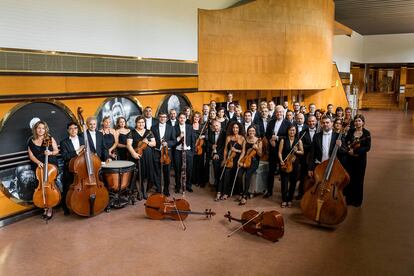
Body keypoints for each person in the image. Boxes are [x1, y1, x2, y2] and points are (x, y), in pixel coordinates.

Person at [27, 120, 59, 220]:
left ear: (46, 129)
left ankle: (50, 207)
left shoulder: (48, 139)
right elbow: (31, 155)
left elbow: (56, 151)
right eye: (39, 128)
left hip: (50, 165)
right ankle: (44, 205)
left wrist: (50, 153)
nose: (41, 130)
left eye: (43, 128)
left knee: (50, 185)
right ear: (35, 129)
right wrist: (38, 162)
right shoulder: (31, 141)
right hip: (39, 166)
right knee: (41, 186)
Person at [344, 114, 371, 207]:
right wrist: (348, 150)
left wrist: (355, 151)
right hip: (350, 159)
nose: (357, 122)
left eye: (359, 121)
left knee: (359, 179)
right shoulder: (351, 131)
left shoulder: (367, 133)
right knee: (350, 178)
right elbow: (346, 142)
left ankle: (357, 200)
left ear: (363, 122)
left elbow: (367, 147)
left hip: (360, 160)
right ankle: (349, 199)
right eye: (356, 121)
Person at [127, 116, 156, 199]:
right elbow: (129, 145)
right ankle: (139, 192)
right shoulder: (132, 132)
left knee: (146, 173)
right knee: (138, 174)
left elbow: (154, 143)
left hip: (147, 156)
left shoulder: (149, 132)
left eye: (143, 122)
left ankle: (145, 192)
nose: (141, 124)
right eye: (139, 122)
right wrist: (133, 154)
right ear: (136, 123)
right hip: (136, 155)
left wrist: (148, 143)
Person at [264, 105, 290, 198]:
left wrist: (278, 138)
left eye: (280, 112)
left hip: (282, 152)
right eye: (277, 112)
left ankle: (284, 194)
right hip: (272, 150)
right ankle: (269, 191)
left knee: (283, 172)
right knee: (270, 171)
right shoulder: (271, 122)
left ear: (283, 113)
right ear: (275, 113)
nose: (278, 113)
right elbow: (267, 134)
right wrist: (270, 140)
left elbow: (289, 137)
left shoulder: (288, 123)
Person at [60, 122, 85, 215]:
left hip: (83, 167)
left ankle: (82, 204)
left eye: (75, 128)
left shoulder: (83, 139)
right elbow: (65, 156)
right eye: (71, 128)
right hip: (71, 169)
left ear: (78, 130)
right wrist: (78, 150)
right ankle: (66, 207)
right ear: (68, 130)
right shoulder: (64, 142)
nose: (73, 130)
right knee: (68, 188)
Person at [219, 122, 245, 200]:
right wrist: (224, 159)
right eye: (233, 128)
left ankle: (237, 192)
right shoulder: (228, 137)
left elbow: (243, 151)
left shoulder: (242, 138)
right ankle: (225, 192)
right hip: (230, 158)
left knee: (236, 174)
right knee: (226, 172)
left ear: (239, 129)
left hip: (238, 158)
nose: (235, 129)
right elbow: (225, 150)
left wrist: (238, 159)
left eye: (237, 128)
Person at [278, 125, 304, 208]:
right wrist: (281, 160)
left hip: (295, 164)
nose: (292, 132)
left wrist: (297, 151)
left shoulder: (298, 141)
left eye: (293, 130)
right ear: (287, 131)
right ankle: (284, 200)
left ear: (296, 131)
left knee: (293, 182)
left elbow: (302, 152)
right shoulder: (283, 140)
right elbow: (280, 152)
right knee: (284, 182)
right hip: (285, 163)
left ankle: (290, 199)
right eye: (290, 130)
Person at [151, 112, 176, 196]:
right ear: (158, 117)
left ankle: (166, 189)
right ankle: (158, 189)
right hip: (157, 152)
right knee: (157, 171)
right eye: (161, 117)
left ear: (167, 118)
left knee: (167, 172)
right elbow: (151, 140)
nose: (162, 118)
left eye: (164, 117)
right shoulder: (153, 128)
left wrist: (167, 143)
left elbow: (174, 141)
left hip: (166, 153)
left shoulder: (171, 128)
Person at [238, 125, 262, 205]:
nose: (251, 132)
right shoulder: (246, 140)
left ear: (255, 132)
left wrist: (257, 148)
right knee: (239, 175)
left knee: (247, 176)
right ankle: (241, 192)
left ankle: (245, 196)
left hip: (254, 162)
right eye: (250, 131)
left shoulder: (259, 141)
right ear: (248, 132)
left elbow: (260, 154)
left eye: (253, 131)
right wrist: (239, 161)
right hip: (245, 160)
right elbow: (243, 152)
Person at [296, 115, 317, 200]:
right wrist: (312, 146)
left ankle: (313, 194)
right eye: (310, 121)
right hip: (305, 158)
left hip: (315, 159)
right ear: (307, 122)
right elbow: (301, 146)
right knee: (302, 176)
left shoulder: (320, 131)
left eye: (313, 121)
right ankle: (301, 193)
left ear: (316, 122)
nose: (311, 123)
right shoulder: (303, 132)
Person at [174, 112, 196, 193]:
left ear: (186, 119)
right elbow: (173, 141)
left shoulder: (190, 127)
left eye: (183, 118)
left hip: (188, 151)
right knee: (177, 169)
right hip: (178, 151)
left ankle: (188, 185)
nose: (182, 119)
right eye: (180, 118)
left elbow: (193, 140)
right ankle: (177, 186)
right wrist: (178, 139)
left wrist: (192, 152)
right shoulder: (174, 128)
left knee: (189, 170)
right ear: (178, 119)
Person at [207, 120, 226, 196]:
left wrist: (217, 153)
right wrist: (212, 147)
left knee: (219, 167)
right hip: (214, 153)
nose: (215, 127)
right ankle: (217, 185)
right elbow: (208, 142)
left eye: (217, 125)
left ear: (220, 126)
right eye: (214, 126)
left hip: (222, 154)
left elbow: (224, 146)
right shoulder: (211, 132)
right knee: (214, 166)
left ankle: (219, 187)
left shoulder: (224, 133)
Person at [191, 112, 207, 187]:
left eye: (198, 117)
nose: (196, 118)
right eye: (195, 116)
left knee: (200, 164)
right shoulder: (190, 126)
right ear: (193, 117)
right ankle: (193, 180)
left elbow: (206, 135)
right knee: (193, 164)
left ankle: (200, 180)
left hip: (200, 147)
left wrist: (202, 137)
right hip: (192, 147)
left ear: (200, 118)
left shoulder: (202, 126)